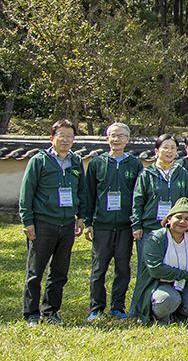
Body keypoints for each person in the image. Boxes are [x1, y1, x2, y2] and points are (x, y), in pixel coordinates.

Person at [20, 119, 85, 325]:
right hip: (42, 223)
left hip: (66, 225)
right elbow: (26, 192)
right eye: (61, 136)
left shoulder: (76, 162)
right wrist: (27, 220)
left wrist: (81, 217)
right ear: (52, 138)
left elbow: (81, 191)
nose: (65, 140)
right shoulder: (39, 161)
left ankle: (51, 312)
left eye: (69, 136)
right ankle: (31, 314)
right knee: (35, 271)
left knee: (59, 272)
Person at [81, 122, 140, 320]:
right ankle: (96, 308)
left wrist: (135, 223)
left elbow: (138, 196)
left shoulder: (134, 164)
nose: (117, 139)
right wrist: (88, 221)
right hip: (102, 225)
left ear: (128, 140)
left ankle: (118, 307)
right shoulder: (97, 163)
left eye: (121, 136)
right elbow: (88, 194)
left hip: (125, 225)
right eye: (113, 135)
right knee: (99, 268)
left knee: (123, 267)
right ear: (107, 139)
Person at [132, 198, 188, 325]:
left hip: (183, 284)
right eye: (178, 217)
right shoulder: (156, 239)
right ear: (169, 219)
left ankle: (176, 316)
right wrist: (186, 275)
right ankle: (161, 317)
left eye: (187, 219)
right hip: (159, 283)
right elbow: (156, 269)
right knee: (169, 299)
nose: (182, 221)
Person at [131, 134, 188, 272]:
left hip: (174, 229)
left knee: (172, 266)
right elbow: (138, 201)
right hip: (149, 228)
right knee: (146, 269)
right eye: (165, 148)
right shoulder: (146, 173)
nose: (169, 151)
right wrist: (136, 225)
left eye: (173, 148)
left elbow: (187, 202)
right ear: (156, 151)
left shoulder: (181, 173)